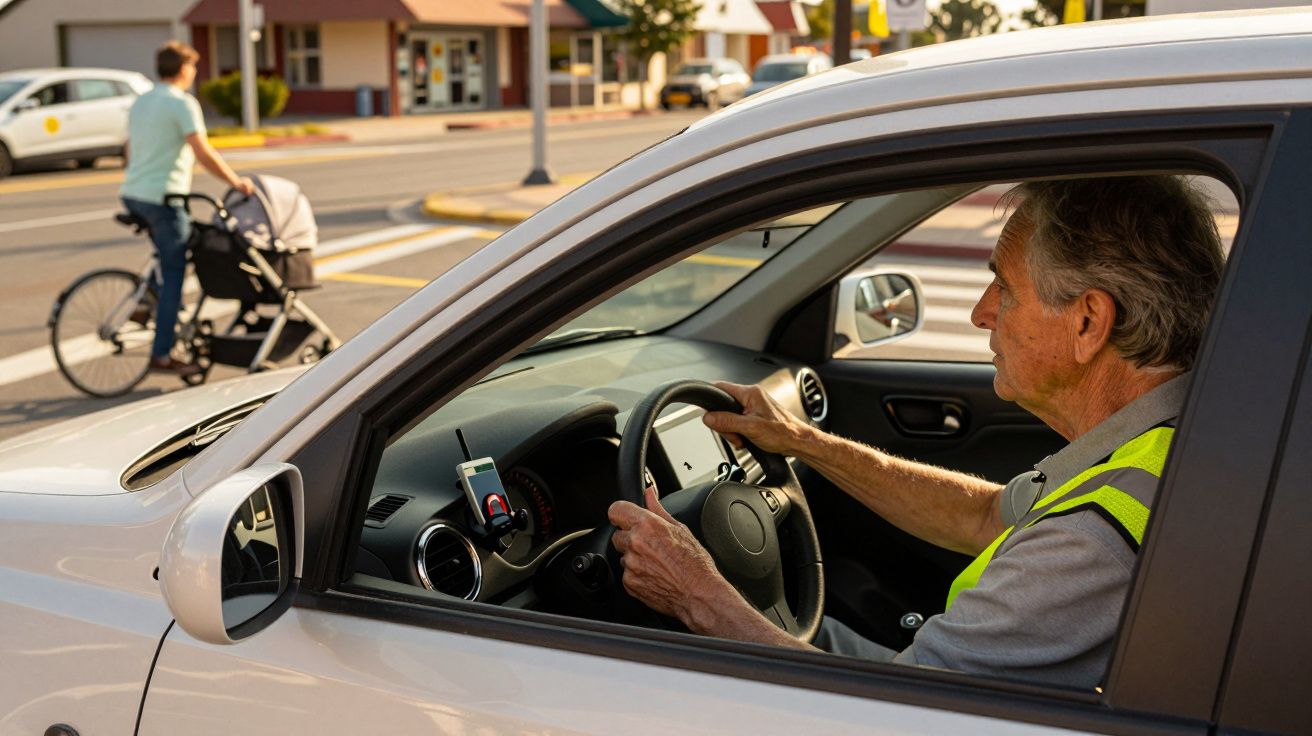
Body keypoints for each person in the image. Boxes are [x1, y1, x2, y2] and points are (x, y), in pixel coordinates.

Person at [608, 176, 1226, 688]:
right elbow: (985, 516)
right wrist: (803, 441)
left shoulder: (1089, 544)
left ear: (1089, 322)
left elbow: (880, 717)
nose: (982, 310)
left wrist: (695, 594)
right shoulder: (1162, 444)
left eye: (1005, 289)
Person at [119, 41, 255, 376]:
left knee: (175, 247)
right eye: (192, 67)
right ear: (183, 69)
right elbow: (202, 151)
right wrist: (236, 182)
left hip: (134, 193)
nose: (193, 73)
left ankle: (142, 304)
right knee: (176, 271)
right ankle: (162, 355)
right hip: (163, 199)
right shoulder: (182, 103)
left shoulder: (142, 101)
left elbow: (129, 147)